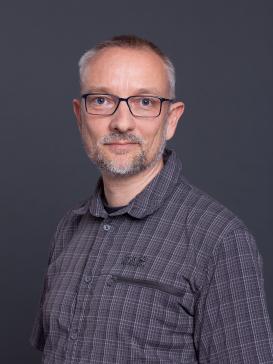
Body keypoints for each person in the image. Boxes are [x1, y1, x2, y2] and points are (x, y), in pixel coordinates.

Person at [30, 35, 273, 363]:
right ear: (79, 115)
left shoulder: (220, 240)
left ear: (171, 118)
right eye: (102, 100)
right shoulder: (69, 229)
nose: (122, 122)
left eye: (144, 102)